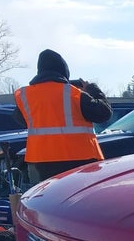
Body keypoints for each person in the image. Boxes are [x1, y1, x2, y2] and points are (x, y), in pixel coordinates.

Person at [14, 49, 112, 185]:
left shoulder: (25, 96)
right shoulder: (74, 94)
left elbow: (21, 119)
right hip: (79, 158)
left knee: (51, 201)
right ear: (64, 72)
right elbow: (104, 113)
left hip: (42, 161)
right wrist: (92, 89)